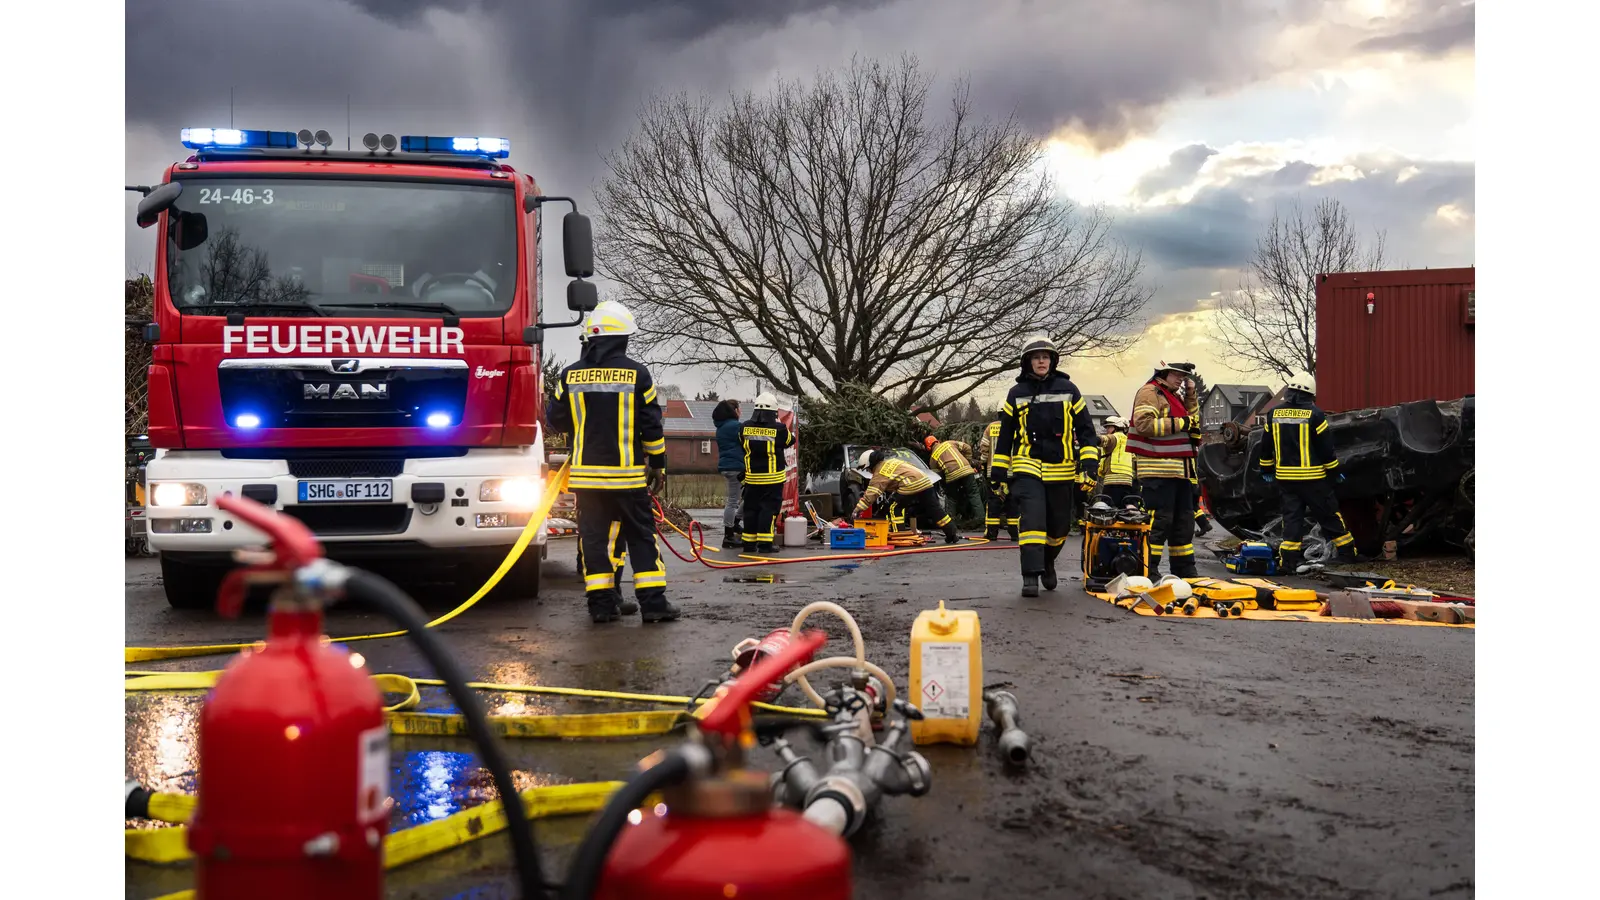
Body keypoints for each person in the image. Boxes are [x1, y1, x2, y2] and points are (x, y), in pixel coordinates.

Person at [547, 300, 679, 625]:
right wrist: (658, 465)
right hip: (628, 478)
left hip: (586, 480)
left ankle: (602, 606)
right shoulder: (637, 374)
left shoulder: (569, 375)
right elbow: (652, 427)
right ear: (622, 338)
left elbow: (556, 421)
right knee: (640, 538)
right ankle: (653, 604)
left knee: (594, 541)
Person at [990, 336, 1100, 596]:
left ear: (1052, 361)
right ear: (1027, 362)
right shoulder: (1016, 393)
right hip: (1027, 467)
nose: (1041, 361)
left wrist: (1090, 465)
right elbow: (1005, 436)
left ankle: (1048, 560)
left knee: (1060, 526)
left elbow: (1086, 431)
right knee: (1032, 521)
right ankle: (1030, 575)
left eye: (1046, 357)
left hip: (1061, 469)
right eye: (1036, 357)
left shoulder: (1069, 389)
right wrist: (998, 473)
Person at [1256, 380, 1357, 572]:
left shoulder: (1274, 413)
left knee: (1292, 519)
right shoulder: (1315, 414)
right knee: (1328, 515)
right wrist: (1335, 472)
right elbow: (1326, 448)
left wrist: (1266, 469)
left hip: (1286, 479)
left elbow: (1266, 444)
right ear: (1310, 394)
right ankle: (1346, 553)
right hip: (1313, 479)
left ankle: (1288, 563)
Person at [1128, 361, 1202, 580]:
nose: (1181, 379)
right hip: (1158, 470)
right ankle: (1148, 568)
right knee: (1159, 523)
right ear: (1163, 373)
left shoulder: (1173, 395)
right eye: (1177, 375)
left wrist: (1190, 395)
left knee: (1183, 523)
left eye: (1184, 376)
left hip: (1181, 471)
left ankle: (1185, 569)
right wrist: (1182, 423)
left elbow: (1193, 420)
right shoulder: (1150, 392)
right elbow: (1144, 425)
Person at [851, 449, 960, 544]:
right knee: (934, 509)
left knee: (893, 508)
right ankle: (951, 533)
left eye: (868, 469)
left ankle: (899, 537)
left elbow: (871, 495)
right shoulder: (892, 462)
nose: (869, 472)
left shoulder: (880, 472)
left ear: (871, 464)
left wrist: (857, 510)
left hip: (910, 485)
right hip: (926, 482)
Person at [739, 393, 796, 553]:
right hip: (772, 480)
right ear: (773, 412)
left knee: (750, 509)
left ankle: (748, 544)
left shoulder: (744, 427)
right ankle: (765, 544)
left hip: (751, 479)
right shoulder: (778, 429)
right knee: (768, 510)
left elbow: (741, 442)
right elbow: (789, 441)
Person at [924, 434, 983, 524]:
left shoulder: (933, 458)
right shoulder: (949, 443)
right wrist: (968, 461)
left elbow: (937, 474)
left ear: (928, 448)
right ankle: (981, 519)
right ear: (937, 441)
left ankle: (952, 521)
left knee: (952, 498)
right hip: (966, 471)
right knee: (973, 494)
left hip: (951, 476)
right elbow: (967, 447)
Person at [977, 418, 1019, 541]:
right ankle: (1015, 533)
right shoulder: (1015, 426)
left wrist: (983, 461)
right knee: (1012, 502)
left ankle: (992, 533)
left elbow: (984, 447)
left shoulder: (990, 427)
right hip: (1012, 471)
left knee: (994, 502)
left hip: (994, 471)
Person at [712, 399, 745, 547]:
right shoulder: (735, 426)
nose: (741, 411)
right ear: (735, 410)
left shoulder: (722, 427)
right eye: (740, 409)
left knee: (748, 495)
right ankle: (728, 535)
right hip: (736, 467)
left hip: (728, 466)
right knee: (733, 500)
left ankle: (735, 523)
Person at [1096, 416, 1138, 509]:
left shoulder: (1115, 437)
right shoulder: (1129, 441)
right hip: (1127, 480)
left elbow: (1104, 440)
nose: (1107, 429)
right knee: (1126, 505)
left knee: (1106, 506)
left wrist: (1091, 438)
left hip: (1112, 479)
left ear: (1116, 427)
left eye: (1109, 427)